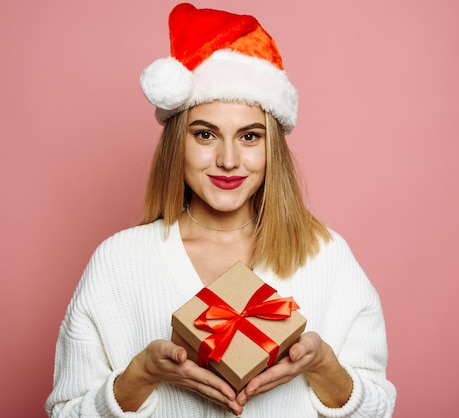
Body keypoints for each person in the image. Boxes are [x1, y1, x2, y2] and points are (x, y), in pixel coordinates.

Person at [46, 3, 396, 417]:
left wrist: (323, 366)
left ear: (273, 150)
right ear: (178, 143)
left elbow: (379, 408)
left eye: (249, 136)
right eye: (205, 134)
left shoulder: (326, 256)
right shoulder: (119, 262)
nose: (228, 160)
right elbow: (64, 413)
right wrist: (139, 375)